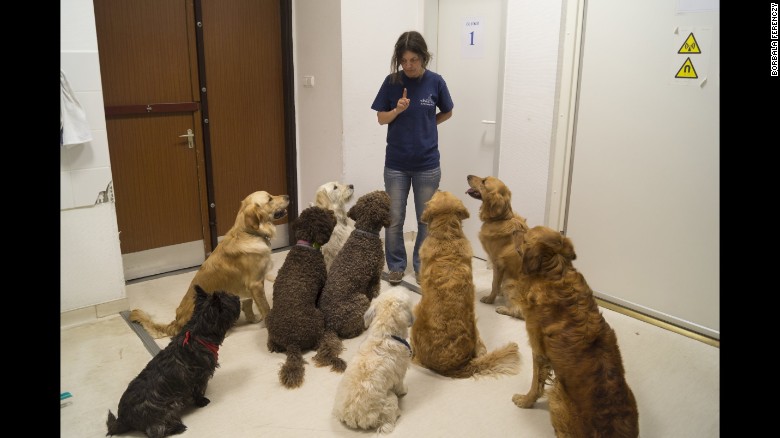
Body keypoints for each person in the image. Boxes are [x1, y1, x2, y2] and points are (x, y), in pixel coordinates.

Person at [371, 30, 454, 285]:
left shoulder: (436, 82)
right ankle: (396, 266)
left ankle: (421, 266)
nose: (408, 66)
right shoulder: (392, 81)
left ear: (423, 58)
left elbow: (447, 112)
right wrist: (397, 109)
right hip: (396, 163)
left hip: (427, 165)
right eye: (404, 61)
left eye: (413, 60)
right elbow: (380, 118)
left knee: (425, 220)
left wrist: (428, 124)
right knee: (394, 219)